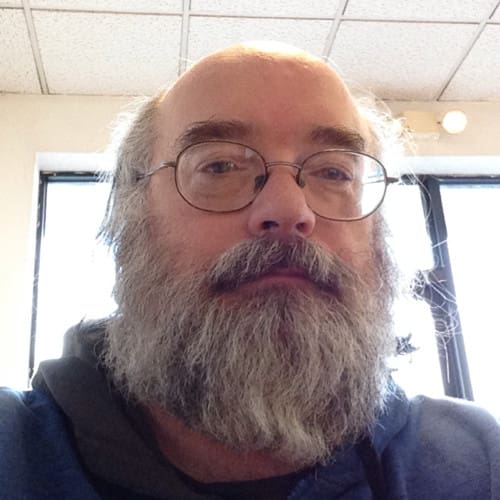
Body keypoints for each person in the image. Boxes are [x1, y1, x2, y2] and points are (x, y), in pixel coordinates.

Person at [1, 42, 499, 500]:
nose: (288, 210)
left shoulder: (477, 462)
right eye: (219, 166)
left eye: (334, 172)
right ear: (131, 220)